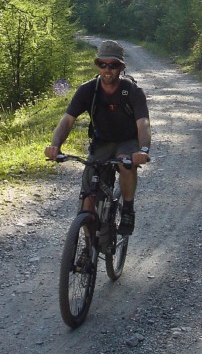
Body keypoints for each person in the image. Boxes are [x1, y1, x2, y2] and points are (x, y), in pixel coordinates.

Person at [45, 40, 151, 235]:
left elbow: (143, 123)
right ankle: (88, 250)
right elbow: (67, 120)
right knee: (87, 202)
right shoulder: (88, 90)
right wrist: (55, 146)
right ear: (97, 65)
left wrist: (142, 150)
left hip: (127, 141)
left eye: (113, 65)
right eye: (103, 64)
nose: (107, 69)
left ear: (121, 68)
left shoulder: (133, 92)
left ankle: (127, 208)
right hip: (101, 142)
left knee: (125, 165)